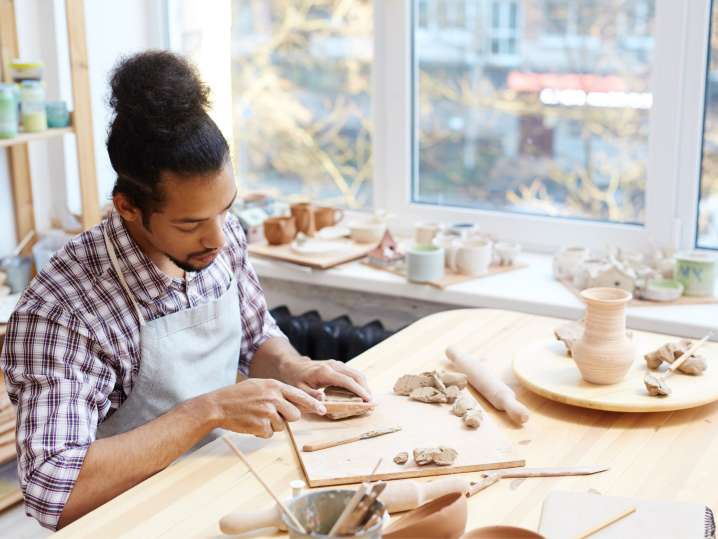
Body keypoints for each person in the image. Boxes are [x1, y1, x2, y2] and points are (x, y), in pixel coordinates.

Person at [0, 51, 371, 531]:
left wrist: (296, 368)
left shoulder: (220, 236)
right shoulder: (63, 311)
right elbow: (54, 489)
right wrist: (206, 412)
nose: (218, 237)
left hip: (215, 490)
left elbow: (256, 336)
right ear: (129, 207)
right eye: (191, 223)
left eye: (225, 209)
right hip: (130, 522)